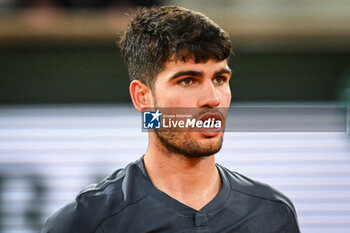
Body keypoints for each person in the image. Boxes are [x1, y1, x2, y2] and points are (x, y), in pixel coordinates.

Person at [41, 6, 300, 233]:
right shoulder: (86, 222)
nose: (212, 99)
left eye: (220, 79)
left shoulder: (273, 214)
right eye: (188, 80)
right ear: (143, 97)